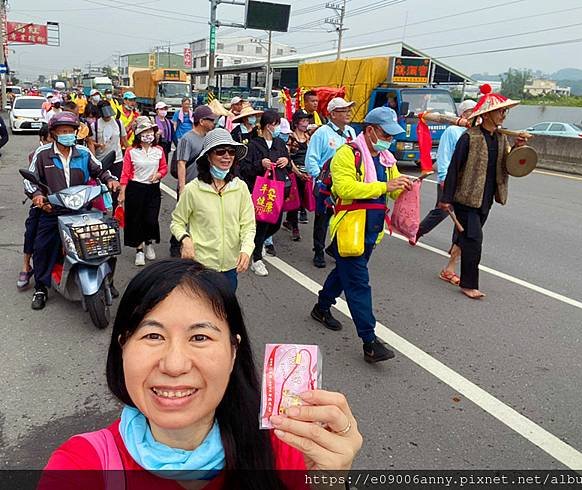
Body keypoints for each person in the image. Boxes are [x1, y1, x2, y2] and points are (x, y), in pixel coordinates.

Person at [40, 259, 362, 489]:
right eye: (153, 336)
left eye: (200, 337)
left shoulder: (289, 451)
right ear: (123, 346)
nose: (175, 364)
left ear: (233, 351)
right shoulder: (82, 465)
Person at [310, 107, 412, 363]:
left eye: (392, 135)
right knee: (358, 284)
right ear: (370, 130)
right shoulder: (347, 154)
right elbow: (344, 187)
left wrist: (406, 186)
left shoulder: (386, 158)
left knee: (344, 275)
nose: (390, 139)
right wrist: (385, 186)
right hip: (349, 230)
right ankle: (369, 341)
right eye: (386, 134)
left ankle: (321, 307)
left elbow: (393, 190)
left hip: (371, 231)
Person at [24, 112, 120, 310]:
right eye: (63, 131)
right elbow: (30, 179)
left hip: (81, 208)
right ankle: (41, 287)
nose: (68, 134)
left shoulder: (83, 153)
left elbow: (100, 169)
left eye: (71, 131)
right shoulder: (43, 154)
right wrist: (37, 195)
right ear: (54, 133)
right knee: (43, 246)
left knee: (104, 239)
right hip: (53, 210)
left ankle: (106, 279)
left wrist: (110, 179)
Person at [439, 85, 525, 299]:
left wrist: (517, 148)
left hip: (486, 198)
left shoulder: (501, 138)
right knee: (474, 241)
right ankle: (468, 284)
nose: (503, 115)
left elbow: (507, 166)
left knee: (466, 238)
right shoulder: (469, 137)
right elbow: (454, 168)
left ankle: (448, 269)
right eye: (500, 111)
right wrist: (446, 199)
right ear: (486, 114)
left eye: (505, 111)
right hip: (465, 199)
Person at [171, 129, 255, 292]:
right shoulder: (192, 190)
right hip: (202, 267)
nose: (227, 156)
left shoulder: (240, 187)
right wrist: (185, 239)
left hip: (231, 267)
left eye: (231, 152)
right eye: (220, 151)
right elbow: (177, 222)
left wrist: (246, 250)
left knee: (224, 313)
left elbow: (248, 225)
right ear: (208, 156)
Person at [413, 100, 477, 286]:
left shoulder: (473, 132)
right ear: (464, 114)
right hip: (449, 180)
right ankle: (417, 231)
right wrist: (444, 179)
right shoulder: (452, 131)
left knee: (463, 219)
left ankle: (455, 248)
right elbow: (444, 156)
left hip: (466, 184)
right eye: (472, 112)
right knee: (441, 211)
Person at [305, 97, 357, 268]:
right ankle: (318, 250)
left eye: (349, 109)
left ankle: (334, 248)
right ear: (333, 114)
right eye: (343, 110)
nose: (348, 113)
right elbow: (311, 159)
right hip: (326, 183)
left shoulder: (351, 132)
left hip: (346, 183)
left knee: (344, 216)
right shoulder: (321, 133)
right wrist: (319, 179)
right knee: (322, 219)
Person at [240, 110, 291, 277]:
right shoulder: (254, 145)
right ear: (267, 125)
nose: (276, 127)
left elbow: (288, 164)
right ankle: (256, 260)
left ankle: (256, 243)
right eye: (274, 124)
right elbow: (245, 168)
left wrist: (286, 161)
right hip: (261, 190)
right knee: (261, 222)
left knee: (275, 223)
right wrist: (260, 164)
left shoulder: (280, 144)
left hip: (278, 189)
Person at [118, 117, 167, 267]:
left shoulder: (159, 150)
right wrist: (122, 192)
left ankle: (149, 242)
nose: (148, 134)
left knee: (151, 219)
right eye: (144, 132)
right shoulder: (131, 152)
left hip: (153, 189)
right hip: (135, 188)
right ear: (138, 135)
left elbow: (164, 168)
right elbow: (125, 173)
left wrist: (159, 175)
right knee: (136, 220)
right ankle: (139, 251)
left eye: (150, 131)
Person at [169, 105, 217, 257]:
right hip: (189, 184)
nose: (213, 123)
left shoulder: (209, 138)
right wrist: (182, 187)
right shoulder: (187, 139)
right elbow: (181, 163)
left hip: (204, 184)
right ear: (202, 121)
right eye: (211, 120)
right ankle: (175, 244)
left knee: (201, 216)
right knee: (182, 217)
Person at [17, 126, 51, 290]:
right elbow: (32, 182)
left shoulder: (76, 153)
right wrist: (38, 197)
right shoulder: (38, 155)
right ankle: (26, 265)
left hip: (69, 201)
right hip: (43, 202)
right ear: (43, 139)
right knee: (32, 229)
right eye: (50, 138)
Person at [281, 110, 312, 241]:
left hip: (307, 172)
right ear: (296, 122)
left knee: (304, 199)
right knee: (295, 199)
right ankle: (295, 228)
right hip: (294, 172)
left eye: (307, 121)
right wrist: (298, 173)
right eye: (303, 121)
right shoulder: (290, 138)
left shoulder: (309, 137)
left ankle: (289, 220)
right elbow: (289, 158)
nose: (306, 124)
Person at [88, 100, 128, 187]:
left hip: (117, 159)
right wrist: (95, 160)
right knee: (103, 187)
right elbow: (91, 143)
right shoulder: (94, 125)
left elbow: (124, 140)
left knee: (116, 186)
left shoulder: (118, 123)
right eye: (105, 116)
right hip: (102, 160)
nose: (108, 117)